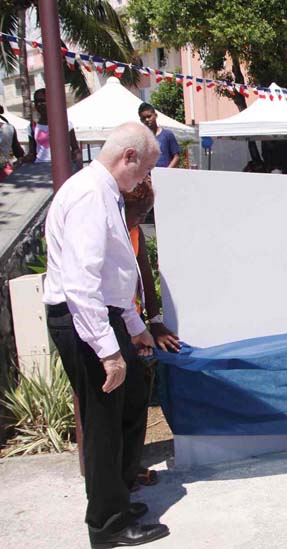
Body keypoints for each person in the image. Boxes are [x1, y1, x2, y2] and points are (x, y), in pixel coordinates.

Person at [43, 122, 170, 547]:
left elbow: (115, 274)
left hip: (104, 317)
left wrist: (134, 328)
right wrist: (108, 351)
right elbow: (81, 283)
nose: (142, 182)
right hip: (83, 320)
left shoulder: (104, 192)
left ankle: (117, 491)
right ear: (128, 157)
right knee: (103, 421)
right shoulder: (89, 195)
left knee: (130, 401)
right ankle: (107, 524)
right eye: (143, 171)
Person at [122, 176, 181, 492]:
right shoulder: (106, 229)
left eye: (145, 215)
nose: (141, 221)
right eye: (139, 214)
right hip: (113, 326)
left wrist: (154, 321)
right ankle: (118, 473)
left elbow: (145, 277)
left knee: (135, 401)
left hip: (135, 325)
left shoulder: (134, 234)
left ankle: (130, 467)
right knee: (117, 405)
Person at [24, 88, 82, 165]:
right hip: (39, 168)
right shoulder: (32, 127)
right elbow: (32, 153)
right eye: (36, 101)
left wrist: (77, 161)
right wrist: (22, 160)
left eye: (42, 101)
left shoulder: (65, 124)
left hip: (62, 167)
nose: (39, 104)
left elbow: (75, 149)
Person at [137, 103, 180, 168]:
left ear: (155, 115)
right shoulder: (142, 138)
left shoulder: (167, 135)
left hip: (166, 175)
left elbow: (176, 157)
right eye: (143, 118)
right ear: (141, 120)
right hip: (149, 176)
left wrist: (166, 171)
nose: (147, 120)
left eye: (149, 116)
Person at [0, 105, 25, 179]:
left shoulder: (7, 128)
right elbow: (18, 152)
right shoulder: (9, 127)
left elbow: (18, 151)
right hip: (6, 170)